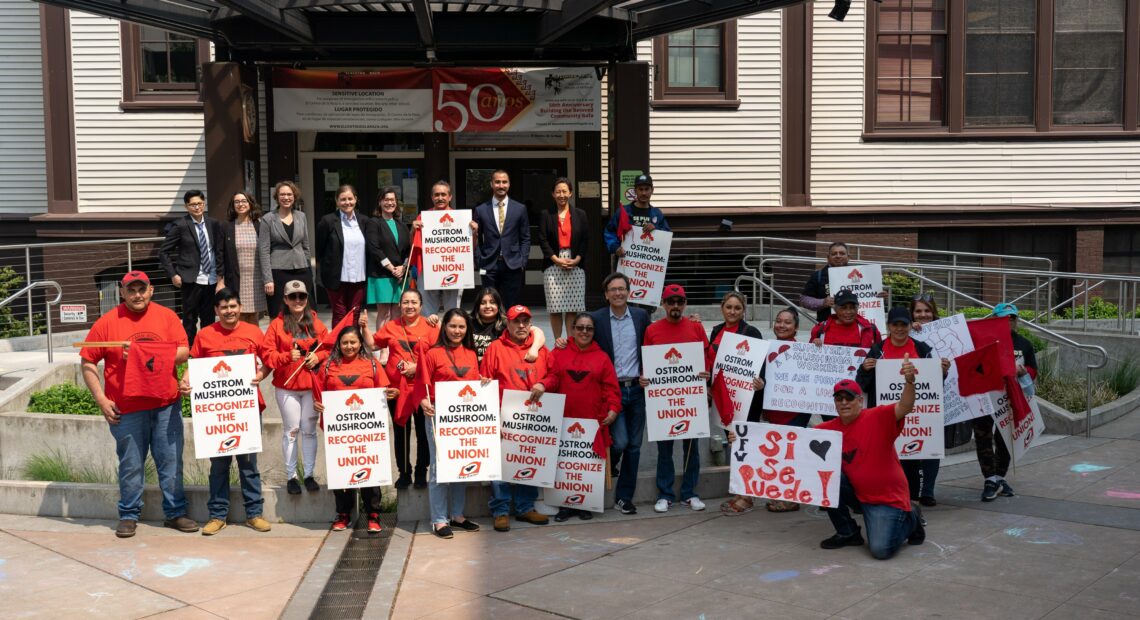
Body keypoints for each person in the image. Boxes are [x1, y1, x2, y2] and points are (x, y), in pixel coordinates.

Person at [80, 270, 198, 538]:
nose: (137, 295)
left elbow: (184, 351)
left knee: (171, 461)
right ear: (122, 293)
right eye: (131, 290)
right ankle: (129, 514)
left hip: (165, 404)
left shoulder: (167, 317)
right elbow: (87, 361)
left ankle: (175, 512)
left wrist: (145, 352)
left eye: (141, 289)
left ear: (151, 291)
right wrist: (101, 399)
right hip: (127, 408)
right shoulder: (107, 323)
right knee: (131, 463)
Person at [182, 288, 271, 535]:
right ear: (216, 310)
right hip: (216, 413)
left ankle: (254, 513)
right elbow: (194, 363)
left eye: (233, 306)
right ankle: (217, 515)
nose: (229, 311)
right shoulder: (205, 335)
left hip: (247, 408)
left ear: (240, 307)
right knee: (218, 465)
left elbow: (268, 362)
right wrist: (186, 381)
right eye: (224, 307)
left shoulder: (253, 332)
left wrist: (260, 375)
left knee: (248, 464)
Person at [817, 373, 926, 560]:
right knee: (824, 477)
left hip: (887, 499)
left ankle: (911, 518)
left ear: (860, 400)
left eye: (849, 398)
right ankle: (847, 532)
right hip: (858, 495)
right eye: (839, 398)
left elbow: (906, 406)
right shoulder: (826, 429)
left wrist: (909, 381)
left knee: (880, 551)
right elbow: (793, 440)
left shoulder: (879, 416)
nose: (844, 403)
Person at [313, 325, 398, 533]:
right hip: (341, 431)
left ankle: (373, 514)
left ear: (360, 343)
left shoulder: (372, 364)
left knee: (370, 468)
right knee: (342, 469)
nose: (349, 346)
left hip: (367, 431)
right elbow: (318, 394)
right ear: (338, 345)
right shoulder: (327, 366)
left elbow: (384, 389)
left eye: (353, 342)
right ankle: (343, 514)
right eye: (345, 343)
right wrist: (318, 404)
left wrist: (390, 393)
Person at [478, 304, 555, 531]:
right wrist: (494, 416)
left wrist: (544, 383)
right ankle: (501, 510)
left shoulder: (541, 349)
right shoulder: (495, 348)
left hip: (534, 417)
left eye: (525, 321)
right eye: (516, 321)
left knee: (530, 459)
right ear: (507, 324)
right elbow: (486, 380)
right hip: (504, 416)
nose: (521, 326)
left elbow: (554, 375)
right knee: (501, 466)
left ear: (531, 324)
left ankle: (525, 507)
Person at [854, 307, 939, 505]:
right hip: (886, 411)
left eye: (904, 324)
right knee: (890, 453)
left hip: (920, 409)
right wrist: (865, 369)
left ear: (910, 326)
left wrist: (941, 371)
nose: (900, 329)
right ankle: (898, 493)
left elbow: (935, 383)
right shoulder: (877, 350)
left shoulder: (922, 349)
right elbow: (862, 386)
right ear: (888, 326)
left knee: (925, 447)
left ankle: (923, 493)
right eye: (895, 324)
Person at [413, 308, 483, 539]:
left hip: (465, 420)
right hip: (438, 417)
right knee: (439, 468)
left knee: (462, 464)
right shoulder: (433, 353)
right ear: (444, 327)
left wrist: (483, 383)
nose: (457, 331)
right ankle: (439, 519)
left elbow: (472, 386)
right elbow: (421, 385)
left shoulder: (471, 354)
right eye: (453, 326)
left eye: (462, 326)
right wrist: (424, 401)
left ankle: (457, 515)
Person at [641, 283, 711, 513]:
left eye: (679, 302)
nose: (675, 306)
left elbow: (706, 357)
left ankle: (690, 493)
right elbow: (647, 363)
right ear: (663, 304)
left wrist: (705, 372)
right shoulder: (652, 330)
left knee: (692, 449)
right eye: (671, 302)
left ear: (685, 304)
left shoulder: (696, 328)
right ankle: (665, 494)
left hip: (690, 399)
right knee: (665, 450)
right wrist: (645, 378)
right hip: (663, 400)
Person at [361, 289, 437, 490]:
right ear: (399, 305)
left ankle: (422, 472)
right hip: (396, 389)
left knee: (423, 432)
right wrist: (364, 327)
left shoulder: (430, 327)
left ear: (421, 305)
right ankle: (404, 473)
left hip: (423, 389)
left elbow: (437, 357)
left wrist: (417, 368)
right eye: (405, 302)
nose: (409, 306)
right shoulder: (392, 326)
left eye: (414, 302)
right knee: (400, 431)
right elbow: (372, 345)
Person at [547, 313, 621, 521]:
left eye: (589, 328)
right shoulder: (559, 352)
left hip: (592, 421)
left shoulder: (602, 357)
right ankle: (564, 505)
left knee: (585, 466)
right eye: (580, 328)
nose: (584, 332)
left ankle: (584, 504)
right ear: (572, 329)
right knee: (564, 465)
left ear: (594, 332)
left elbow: (611, 388)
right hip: (563, 420)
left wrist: (613, 409)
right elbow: (551, 377)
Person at [588, 273, 651, 515]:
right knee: (621, 442)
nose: (618, 293)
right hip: (611, 392)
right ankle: (611, 465)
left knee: (634, 447)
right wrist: (562, 342)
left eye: (622, 289)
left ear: (629, 291)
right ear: (606, 294)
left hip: (636, 389)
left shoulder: (641, 316)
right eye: (613, 289)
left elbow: (653, 344)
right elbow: (582, 339)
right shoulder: (597, 319)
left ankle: (624, 497)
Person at [261, 280, 328, 495]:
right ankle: (292, 477)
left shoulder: (317, 323)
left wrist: (318, 356)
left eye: (301, 296)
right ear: (285, 300)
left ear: (307, 299)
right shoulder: (276, 325)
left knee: (309, 431)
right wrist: (285, 356)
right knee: (291, 431)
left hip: (310, 387)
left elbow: (330, 348)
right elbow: (267, 354)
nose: (297, 301)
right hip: (286, 387)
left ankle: (308, 475)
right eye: (293, 297)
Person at [973, 302, 1036, 502]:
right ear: (995, 320)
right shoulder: (984, 341)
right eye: (1004, 318)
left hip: (1011, 398)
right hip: (985, 396)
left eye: (1012, 318)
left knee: (1006, 438)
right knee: (983, 437)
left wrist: (1024, 371)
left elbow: (1033, 369)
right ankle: (989, 478)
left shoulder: (1024, 343)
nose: (1009, 322)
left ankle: (999, 477)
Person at [908, 294, 958, 506]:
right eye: (918, 311)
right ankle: (911, 490)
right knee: (908, 444)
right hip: (907, 395)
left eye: (927, 310)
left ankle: (927, 490)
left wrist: (944, 371)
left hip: (934, 396)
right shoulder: (904, 331)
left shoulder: (945, 332)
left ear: (934, 312)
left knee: (931, 444)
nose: (923, 315)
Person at [160, 189, 225, 343]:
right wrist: (173, 274)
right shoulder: (180, 225)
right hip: (190, 280)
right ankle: (189, 354)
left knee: (209, 318)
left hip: (211, 279)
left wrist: (221, 278)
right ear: (186, 207)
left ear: (204, 204)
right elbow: (163, 252)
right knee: (189, 320)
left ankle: (207, 350)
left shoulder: (214, 224)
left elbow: (219, 252)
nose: (197, 207)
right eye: (193, 204)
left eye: (200, 204)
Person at [537, 177, 588, 339]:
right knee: (555, 307)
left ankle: (571, 342)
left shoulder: (580, 214)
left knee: (573, 308)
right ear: (553, 194)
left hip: (575, 263)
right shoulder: (546, 214)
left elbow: (585, 240)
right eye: (558, 191)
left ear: (570, 193)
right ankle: (559, 342)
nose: (561, 195)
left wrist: (578, 259)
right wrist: (556, 259)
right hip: (553, 264)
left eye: (564, 191)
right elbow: (542, 239)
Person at [471, 170, 530, 307]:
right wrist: (479, 259)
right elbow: (476, 238)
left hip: (513, 264)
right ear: (492, 184)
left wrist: (523, 260)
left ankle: (510, 329)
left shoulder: (520, 209)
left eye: (504, 182)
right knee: (489, 304)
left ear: (509, 184)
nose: (501, 185)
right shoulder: (481, 210)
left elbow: (525, 238)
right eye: (497, 182)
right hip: (489, 264)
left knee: (512, 305)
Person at [317, 184, 371, 328]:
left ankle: (354, 347)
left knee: (355, 313)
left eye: (350, 198)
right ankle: (338, 347)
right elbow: (320, 249)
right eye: (343, 199)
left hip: (359, 276)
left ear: (356, 199)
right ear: (337, 201)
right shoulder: (328, 221)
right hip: (336, 277)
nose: (347, 202)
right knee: (340, 314)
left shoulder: (364, 221)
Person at [413, 181, 467, 317]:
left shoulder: (461, 219)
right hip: (428, 268)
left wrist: (474, 232)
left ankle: (451, 335)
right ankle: (428, 337)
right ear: (432, 197)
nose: (440, 197)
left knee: (453, 310)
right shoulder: (422, 217)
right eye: (436, 195)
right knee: (426, 310)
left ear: (450, 197)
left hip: (453, 267)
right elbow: (414, 244)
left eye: (443, 194)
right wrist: (413, 230)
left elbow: (470, 246)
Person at [261, 180, 313, 319]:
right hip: (278, 271)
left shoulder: (301, 216)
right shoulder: (268, 219)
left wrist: (309, 270)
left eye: (289, 194)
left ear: (294, 196)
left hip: (301, 269)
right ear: (277, 197)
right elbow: (264, 250)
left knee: (303, 312)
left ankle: (302, 340)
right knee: (279, 313)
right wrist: (267, 279)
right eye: (282, 194)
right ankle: (279, 340)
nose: (286, 197)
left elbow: (306, 245)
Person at [222, 192, 271, 325]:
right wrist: (220, 280)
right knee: (239, 313)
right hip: (237, 278)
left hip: (257, 277)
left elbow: (267, 250)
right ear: (233, 205)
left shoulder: (260, 225)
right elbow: (220, 254)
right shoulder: (227, 227)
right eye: (236, 202)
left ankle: (253, 343)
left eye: (244, 201)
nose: (240, 204)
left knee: (254, 314)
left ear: (250, 203)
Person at [366, 186, 411, 328]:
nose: (389, 203)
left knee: (398, 312)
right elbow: (375, 249)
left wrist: (403, 267)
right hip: (382, 275)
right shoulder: (373, 223)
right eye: (386, 200)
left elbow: (408, 251)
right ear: (380, 202)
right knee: (384, 313)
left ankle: (394, 346)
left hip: (399, 276)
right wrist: (392, 268)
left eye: (392, 200)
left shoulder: (402, 225)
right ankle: (383, 349)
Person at [470, 287, 546, 363]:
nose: (487, 306)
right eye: (483, 303)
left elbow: (537, 331)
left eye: (492, 302)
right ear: (477, 306)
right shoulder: (468, 323)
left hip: (496, 365)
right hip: (471, 365)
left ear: (498, 305)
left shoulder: (507, 323)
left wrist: (534, 349)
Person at [603, 174, 670, 259]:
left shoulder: (657, 214)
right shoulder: (623, 212)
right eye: (640, 189)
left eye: (647, 189)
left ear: (652, 190)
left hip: (650, 265)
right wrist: (616, 248)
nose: (644, 193)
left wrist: (655, 228)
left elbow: (667, 236)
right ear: (635, 191)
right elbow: (609, 232)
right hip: (626, 263)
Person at [810, 288, 882, 348]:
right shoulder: (820, 330)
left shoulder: (870, 329)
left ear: (857, 309)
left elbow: (880, 354)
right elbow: (809, 358)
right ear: (835, 309)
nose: (848, 312)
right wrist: (813, 346)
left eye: (852, 308)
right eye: (843, 308)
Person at [800, 241, 850, 324]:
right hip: (827, 326)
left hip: (854, 327)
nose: (838, 256)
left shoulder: (861, 275)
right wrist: (822, 302)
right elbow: (804, 300)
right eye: (834, 254)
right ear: (828, 258)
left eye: (842, 253)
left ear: (848, 257)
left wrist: (878, 296)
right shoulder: (818, 276)